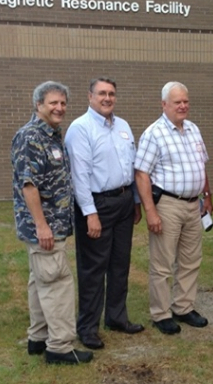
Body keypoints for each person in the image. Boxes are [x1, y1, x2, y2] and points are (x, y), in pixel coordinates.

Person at [11, 81, 93, 365]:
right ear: (38, 105)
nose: (59, 108)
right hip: (45, 228)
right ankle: (59, 346)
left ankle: (38, 336)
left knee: (40, 281)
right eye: (53, 103)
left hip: (52, 226)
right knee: (57, 283)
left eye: (63, 103)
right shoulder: (31, 137)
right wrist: (42, 226)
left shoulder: (53, 135)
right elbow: (29, 185)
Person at [64, 77, 144, 351]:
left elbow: (130, 166)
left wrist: (134, 201)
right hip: (96, 204)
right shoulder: (80, 129)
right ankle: (87, 327)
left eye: (111, 93)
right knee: (93, 269)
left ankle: (116, 317)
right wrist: (90, 213)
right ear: (90, 96)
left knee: (120, 264)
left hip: (123, 202)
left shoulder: (122, 126)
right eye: (101, 93)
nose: (107, 98)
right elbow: (79, 176)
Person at [134, 82, 213, 335]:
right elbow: (142, 174)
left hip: (193, 205)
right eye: (177, 102)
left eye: (185, 101)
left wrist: (207, 196)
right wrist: (151, 212)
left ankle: (183, 307)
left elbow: (202, 166)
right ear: (164, 104)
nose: (182, 106)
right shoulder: (154, 133)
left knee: (191, 261)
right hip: (167, 204)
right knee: (163, 263)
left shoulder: (193, 129)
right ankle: (161, 313)